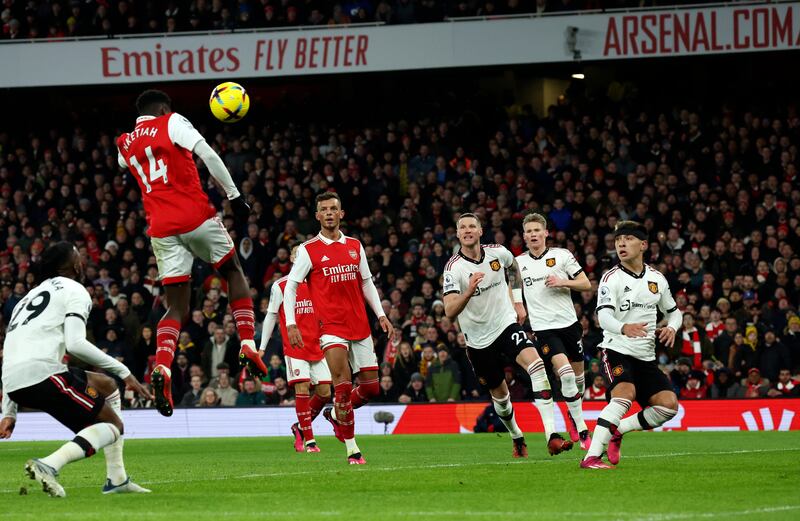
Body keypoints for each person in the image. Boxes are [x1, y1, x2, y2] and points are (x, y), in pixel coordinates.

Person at [115, 89, 266, 417]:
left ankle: (164, 366)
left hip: (161, 229)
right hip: (196, 217)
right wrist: (234, 195)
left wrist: (139, 137)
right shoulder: (172, 121)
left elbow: (122, 160)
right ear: (165, 108)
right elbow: (209, 155)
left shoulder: (125, 141)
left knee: (177, 307)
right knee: (232, 272)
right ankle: (248, 344)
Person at [0, 242, 152, 497]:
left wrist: (9, 410)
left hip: (16, 382)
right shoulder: (74, 289)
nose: (82, 261)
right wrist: (125, 371)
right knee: (114, 427)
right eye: (78, 256)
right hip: (44, 375)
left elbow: (11, 352)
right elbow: (75, 344)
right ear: (71, 265)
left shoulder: (25, 299)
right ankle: (49, 465)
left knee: (107, 386)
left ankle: (117, 478)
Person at [443, 213, 571, 459]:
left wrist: (517, 301)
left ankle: (552, 436)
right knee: (501, 398)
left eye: (473, 226)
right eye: (463, 228)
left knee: (537, 366)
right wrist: (468, 291)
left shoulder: (497, 252)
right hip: (479, 341)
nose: (468, 230)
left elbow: (513, 268)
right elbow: (449, 311)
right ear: (458, 234)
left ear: (481, 231)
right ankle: (516, 436)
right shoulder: (453, 269)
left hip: (506, 325)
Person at [283, 192, 394, 465]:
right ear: (318, 216)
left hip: (360, 325)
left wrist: (380, 314)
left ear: (341, 213)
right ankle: (352, 449)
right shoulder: (309, 250)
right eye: (324, 209)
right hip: (331, 327)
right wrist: (291, 322)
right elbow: (292, 286)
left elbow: (366, 282)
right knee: (341, 386)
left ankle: (334, 416)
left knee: (371, 389)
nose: (330, 213)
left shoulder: (355, 246)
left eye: (334, 208)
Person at [581, 221, 682, 469]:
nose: (621, 244)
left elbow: (674, 311)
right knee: (625, 396)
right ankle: (591, 457)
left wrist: (672, 327)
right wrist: (624, 327)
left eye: (627, 239)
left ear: (643, 245)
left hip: (645, 357)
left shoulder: (657, 279)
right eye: (618, 241)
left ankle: (618, 431)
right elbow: (603, 317)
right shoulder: (611, 278)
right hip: (615, 350)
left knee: (669, 406)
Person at [515, 213, 593, 449]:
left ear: (546, 233)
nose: (533, 235)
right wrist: (517, 307)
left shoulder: (562, 255)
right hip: (544, 330)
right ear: (524, 236)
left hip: (569, 325)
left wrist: (563, 282)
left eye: (537, 230)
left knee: (578, 380)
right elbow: (513, 291)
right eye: (529, 231)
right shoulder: (518, 263)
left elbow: (586, 283)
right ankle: (582, 430)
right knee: (566, 373)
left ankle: (573, 414)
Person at [261, 246, 332, 453]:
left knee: (324, 393)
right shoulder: (281, 285)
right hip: (295, 348)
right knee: (302, 389)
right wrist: (262, 347)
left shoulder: (318, 284)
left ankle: (300, 427)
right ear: (292, 259)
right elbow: (271, 315)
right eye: (298, 254)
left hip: (318, 346)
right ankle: (310, 441)